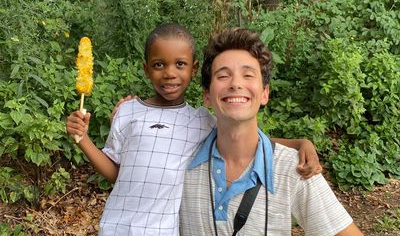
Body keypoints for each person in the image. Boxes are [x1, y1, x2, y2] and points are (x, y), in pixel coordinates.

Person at [66, 23, 321, 236]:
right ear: (146, 69)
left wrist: (299, 144)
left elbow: (243, 139)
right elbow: (116, 173)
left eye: (179, 64)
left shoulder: (200, 120)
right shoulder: (127, 112)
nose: (169, 73)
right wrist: (83, 139)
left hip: (164, 231)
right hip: (115, 227)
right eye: (158, 65)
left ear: (194, 68)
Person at [179, 28, 363, 235]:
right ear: (207, 96)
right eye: (223, 76)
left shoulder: (295, 168)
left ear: (265, 93)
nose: (236, 84)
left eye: (248, 75)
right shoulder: (179, 158)